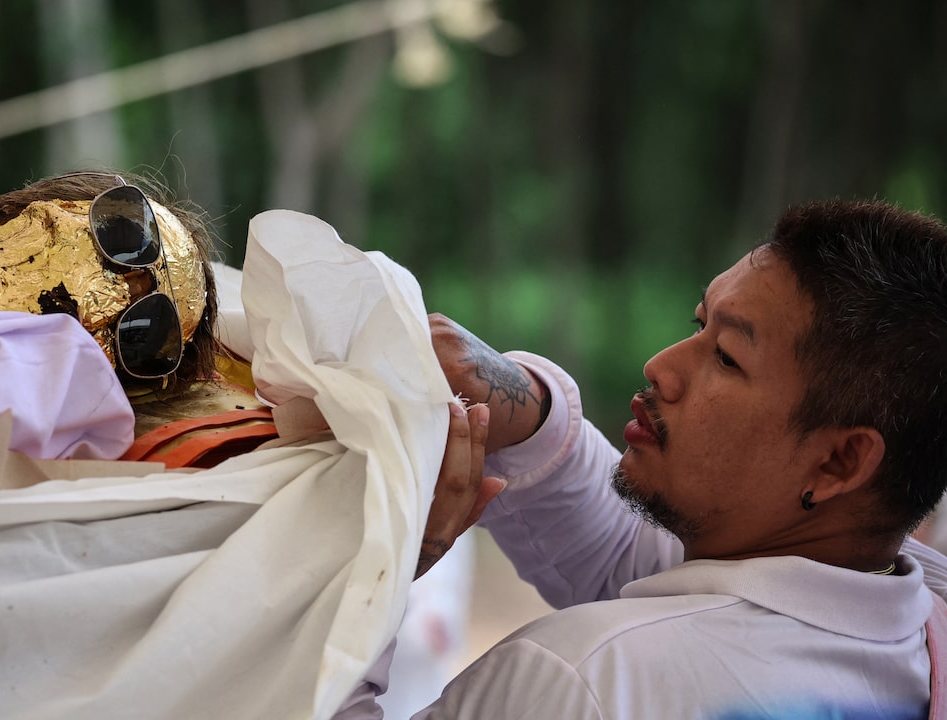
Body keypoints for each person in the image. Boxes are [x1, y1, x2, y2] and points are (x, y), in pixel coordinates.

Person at [0, 173, 497, 719]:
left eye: (143, 332)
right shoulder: (28, 357)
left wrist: (364, 578)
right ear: (4, 220)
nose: (117, 291)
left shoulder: (69, 392)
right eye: (121, 234)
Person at [399, 198, 947, 718]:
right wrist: (532, 413)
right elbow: (630, 555)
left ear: (839, 462)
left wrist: (381, 566)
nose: (660, 366)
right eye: (698, 325)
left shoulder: (584, 681)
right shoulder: (918, 622)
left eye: (727, 357)